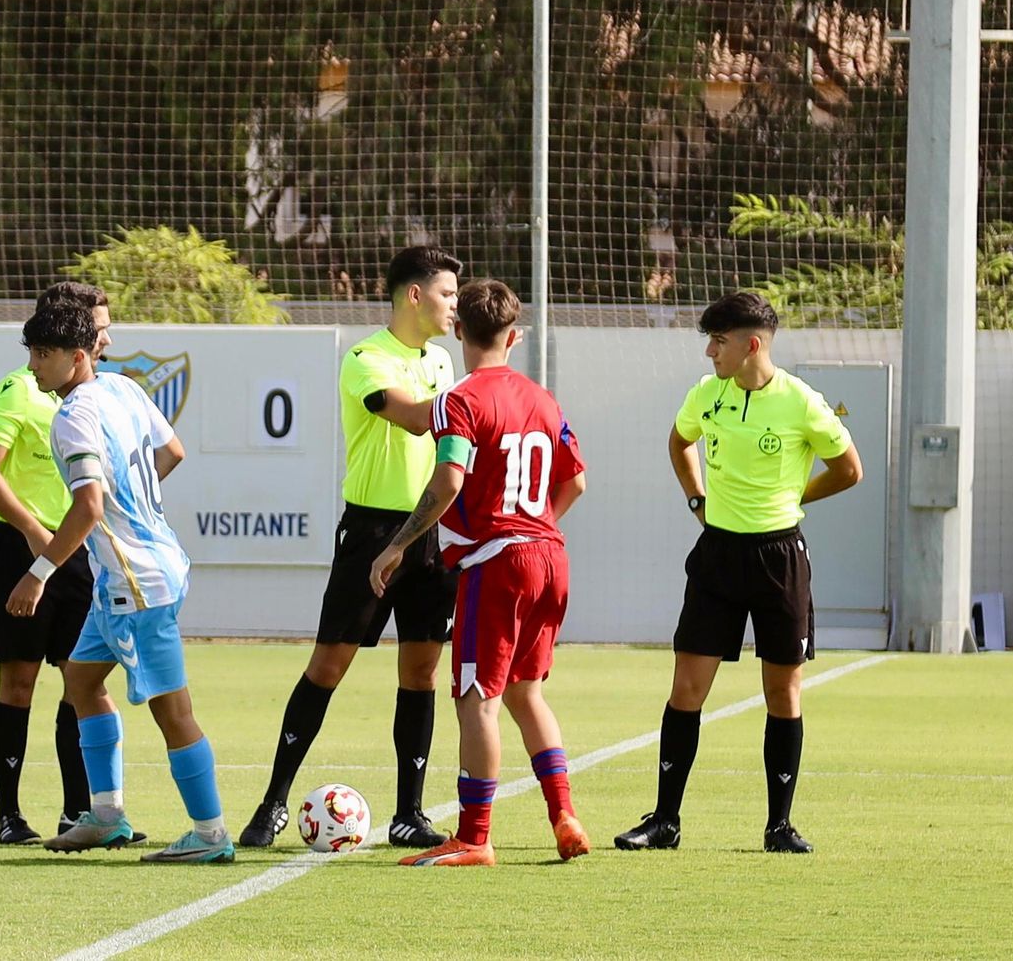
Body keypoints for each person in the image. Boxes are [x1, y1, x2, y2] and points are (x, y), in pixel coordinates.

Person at [613, 291, 862, 856]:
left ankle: (779, 826)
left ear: (752, 345)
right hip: (717, 557)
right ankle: (665, 822)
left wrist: (795, 497)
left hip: (780, 559)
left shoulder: (802, 401)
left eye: (718, 341)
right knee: (686, 687)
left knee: (782, 690)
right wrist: (696, 499)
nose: (710, 352)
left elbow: (849, 469)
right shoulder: (706, 394)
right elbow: (679, 443)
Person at [239, 247, 461, 849]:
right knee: (327, 668)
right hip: (371, 535)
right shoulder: (366, 358)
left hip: (431, 533)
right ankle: (273, 802)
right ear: (414, 295)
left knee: (421, 673)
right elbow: (415, 418)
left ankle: (409, 813)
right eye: (446, 293)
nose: (454, 305)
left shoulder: (443, 360)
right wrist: (481, 399)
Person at [369, 279, 590, 867]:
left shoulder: (458, 400)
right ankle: (563, 813)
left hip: (498, 564)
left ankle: (474, 837)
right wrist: (532, 525)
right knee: (526, 693)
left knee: (476, 700)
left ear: (460, 330)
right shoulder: (544, 400)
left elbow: (449, 481)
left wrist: (396, 546)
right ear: (514, 337)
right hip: (549, 556)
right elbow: (575, 481)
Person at [8, 299, 233, 863]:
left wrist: (38, 573)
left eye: (43, 354)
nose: (33, 365)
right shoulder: (125, 389)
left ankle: (211, 835)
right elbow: (172, 452)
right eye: (32, 353)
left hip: (137, 584)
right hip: (133, 574)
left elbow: (88, 507)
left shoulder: (72, 417)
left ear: (77, 357)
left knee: (172, 711)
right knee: (82, 681)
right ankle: (106, 817)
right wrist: (131, 508)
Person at [0, 281, 112, 845]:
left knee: (80, 679)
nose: (107, 338)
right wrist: (31, 530)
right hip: (16, 551)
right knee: (20, 680)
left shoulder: (97, 396)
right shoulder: (19, 389)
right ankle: (9, 816)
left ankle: (79, 813)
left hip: (74, 553)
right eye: (100, 327)